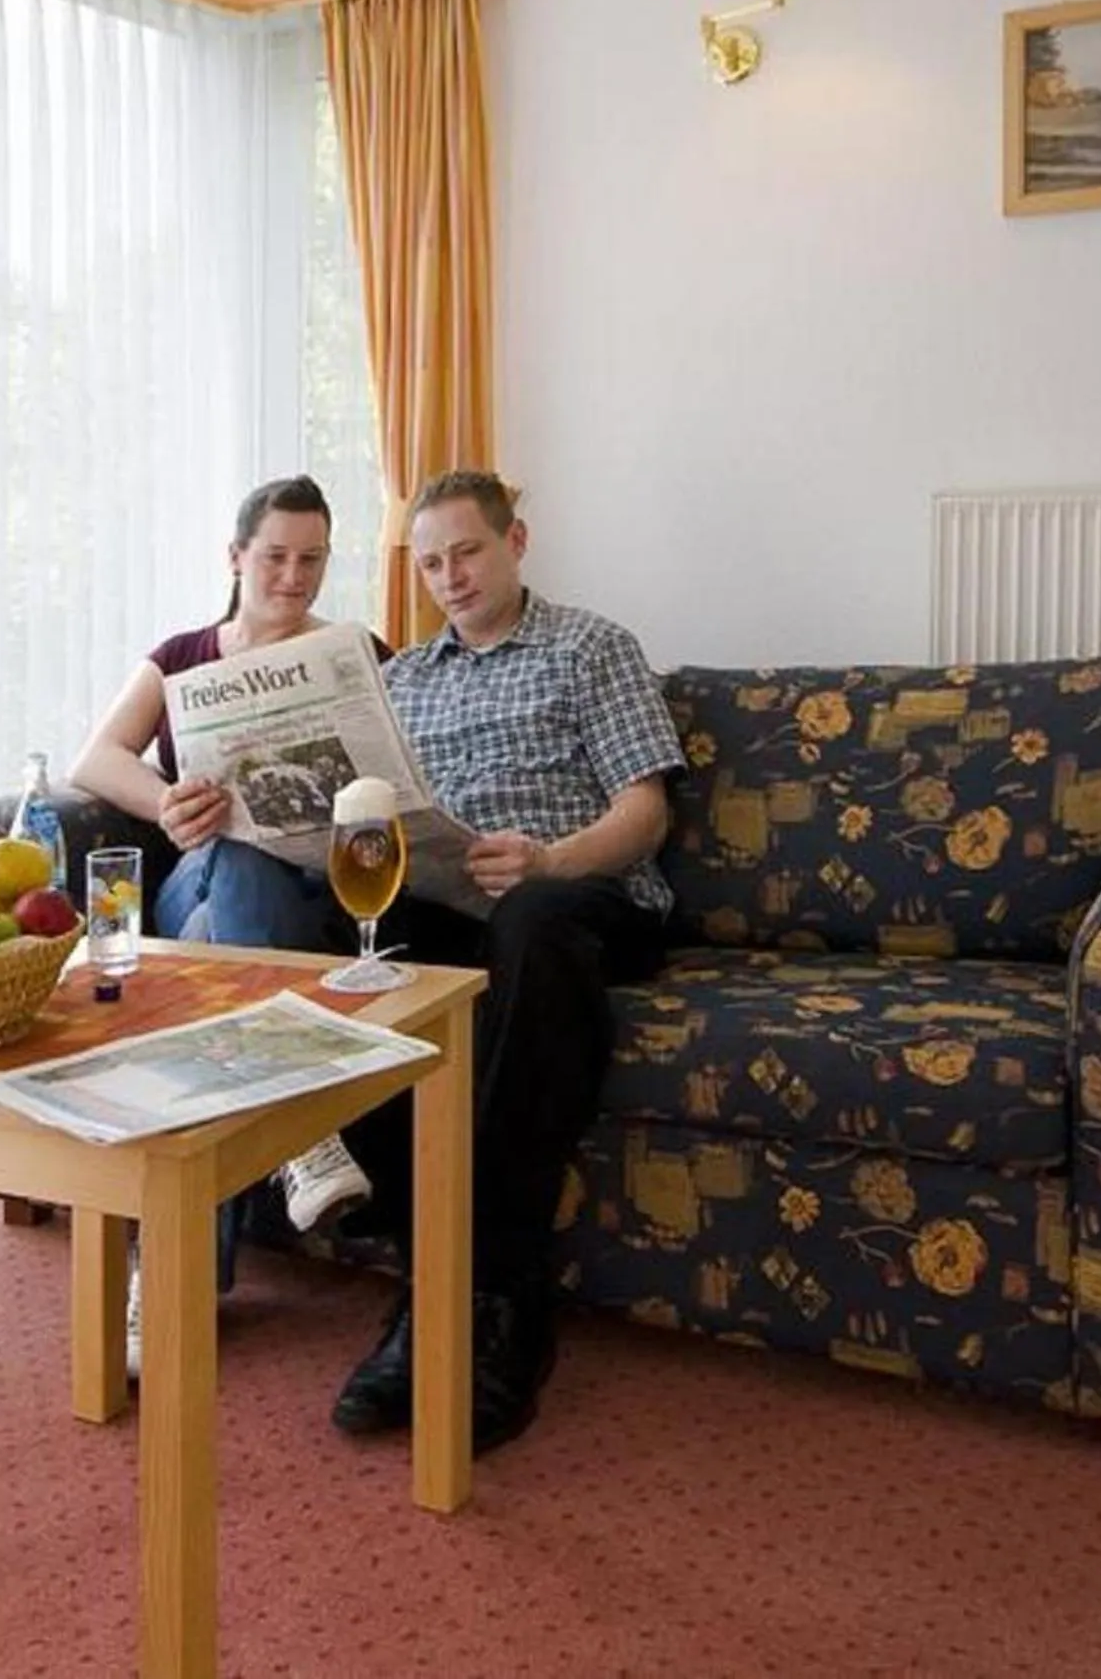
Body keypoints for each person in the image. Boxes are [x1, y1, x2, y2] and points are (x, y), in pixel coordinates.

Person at [171, 469, 684, 1454]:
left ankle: (488, 1300)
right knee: (336, 949)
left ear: (516, 541)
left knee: (530, 920)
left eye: (468, 551)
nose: (449, 575)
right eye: (432, 559)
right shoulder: (399, 677)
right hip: (447, 903)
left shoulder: (592, 646)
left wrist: (550, 858)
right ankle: (437, 1280)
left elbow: (644, 812)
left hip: (579, 899)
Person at [68, 476, 388, 1364]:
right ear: (236, 557)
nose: (294, 576)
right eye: (276, 556)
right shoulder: (182, 654)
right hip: (198, 876)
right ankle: (304, 1125)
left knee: (208, 973)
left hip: (308, 901)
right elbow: (96, 758)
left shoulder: (356, 651)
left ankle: (164, 1285)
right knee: (234, 859)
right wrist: (168, 803)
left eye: (312, 559)